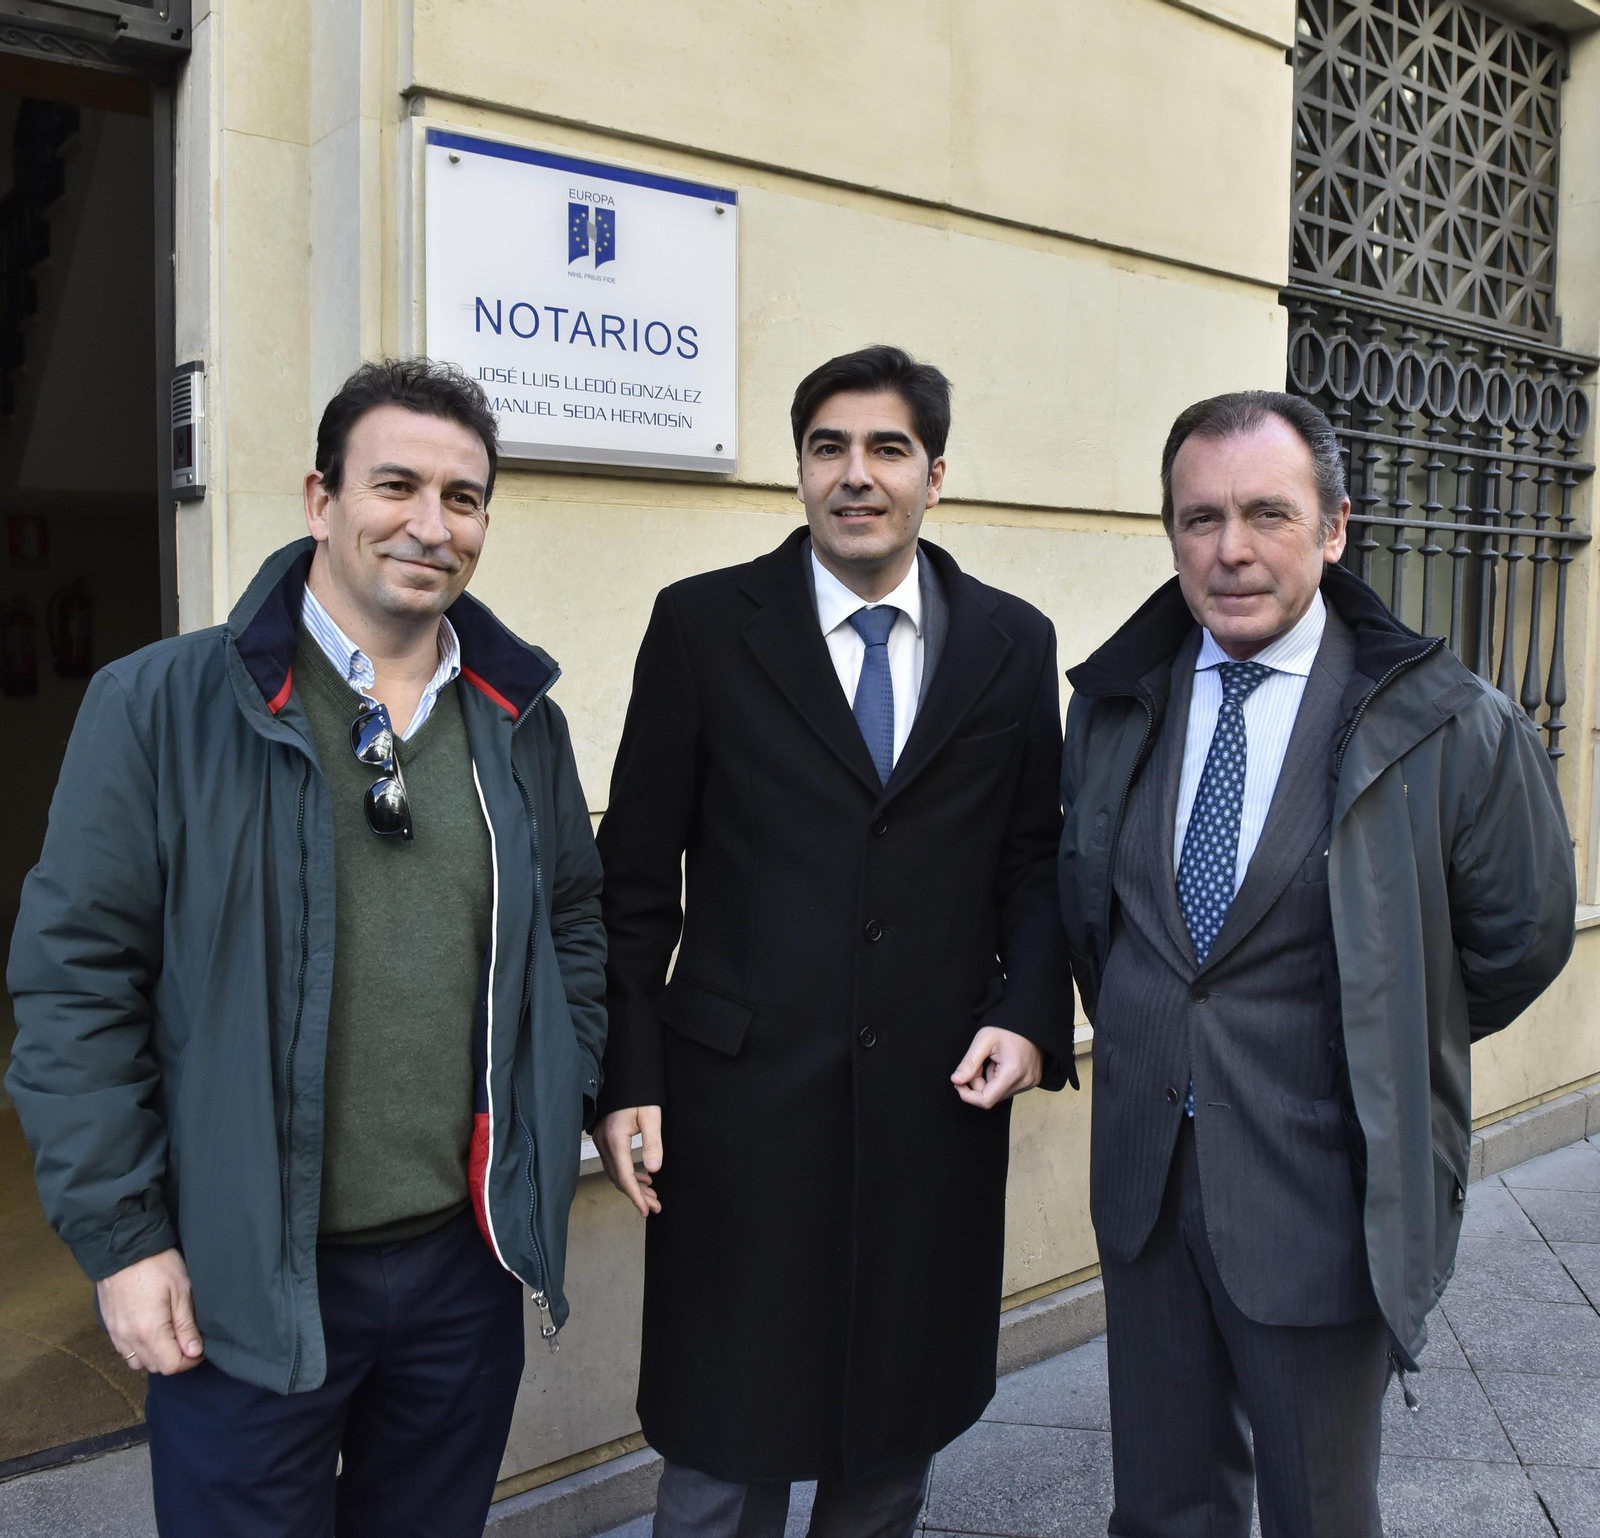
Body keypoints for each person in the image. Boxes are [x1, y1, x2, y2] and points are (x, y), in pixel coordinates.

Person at [6, 358, 606, 1538]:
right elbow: (75, 985)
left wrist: (562, 1085)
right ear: (320, 500)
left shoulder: (516, 716)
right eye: (396, 484)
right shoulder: (160, 704)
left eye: (464, 497)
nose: (431, 524)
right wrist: (127, 1241)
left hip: (461, 1269)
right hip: (243, 1277)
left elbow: (573, 923)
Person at [1058, 390, 1576, 1537]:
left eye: (1266, 514)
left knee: (1319, 1511)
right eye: (1199, 518)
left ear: (1335, 527)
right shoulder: (1114, 703)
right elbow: (1094, 913)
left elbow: (1520, 938)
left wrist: (1380, 1026)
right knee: (1159, 1508)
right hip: (1144, 1180)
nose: (1230, 550)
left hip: (1321, 1188)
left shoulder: (1444, 720)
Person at [593, 344, 1075, 1537]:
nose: (855, 473)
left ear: (934, 474)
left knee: (891, 1436)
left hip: (933, 1105)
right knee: (724, 1442)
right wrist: (625, 1076)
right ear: (799, 469)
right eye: (828, 447)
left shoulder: (1012, 641)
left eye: (886, 448)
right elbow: (635, 882)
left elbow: (1035, 859)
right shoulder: (703, 624)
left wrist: (1026, 1012)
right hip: (736, 1109)